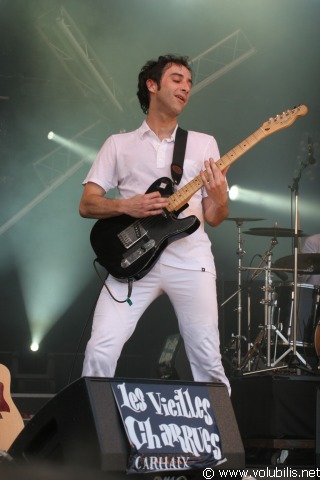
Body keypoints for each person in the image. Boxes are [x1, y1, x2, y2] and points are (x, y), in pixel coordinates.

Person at [79, 54, 230, 394]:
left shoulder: (203, 144)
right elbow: (87, 204)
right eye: (177, 79)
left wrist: (220, 196)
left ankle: (219, 445)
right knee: (100, 349)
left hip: (190, 259)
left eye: (189, 83)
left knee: (207, 359)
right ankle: (94, 437)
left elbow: (214, 217)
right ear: (152, 85)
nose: (186, 87)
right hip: (132, 262)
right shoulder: (118, 145)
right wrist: (126, 205)